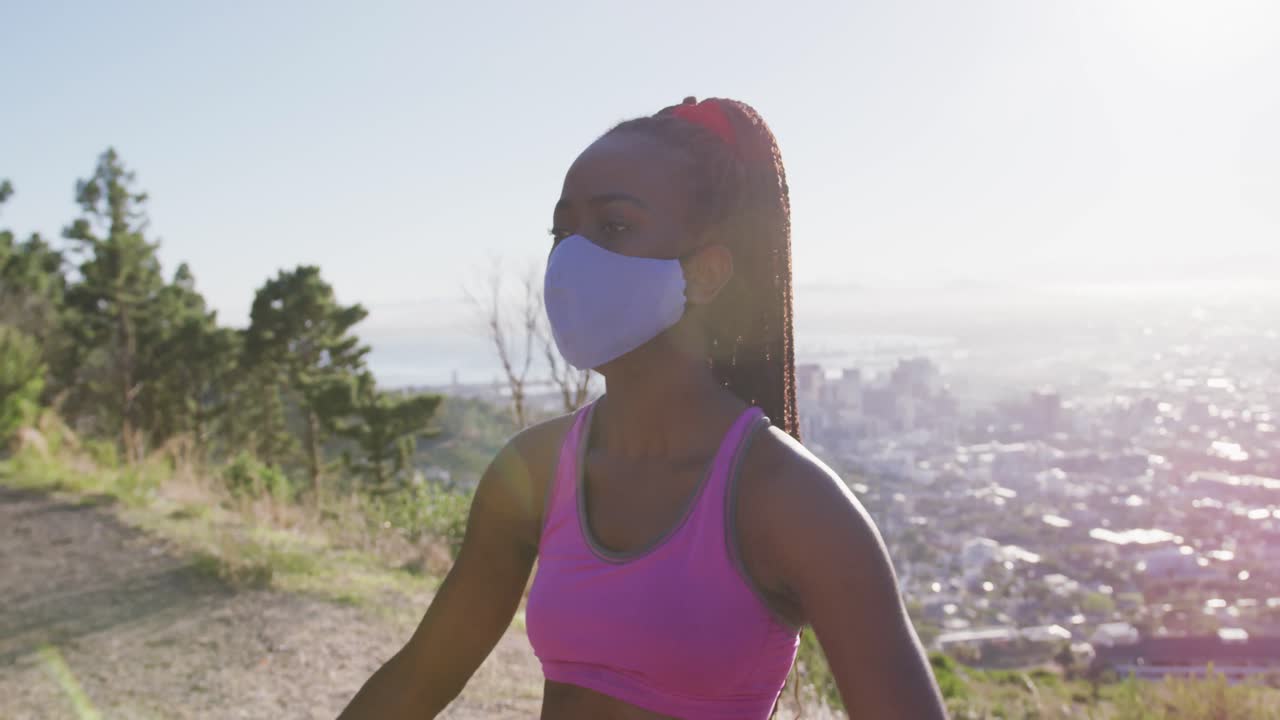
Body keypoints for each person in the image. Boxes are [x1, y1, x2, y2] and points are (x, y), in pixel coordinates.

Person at [338, 96, 946, 719]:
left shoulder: (792, 502)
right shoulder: (532, 470)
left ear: (706, 274)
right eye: (562, 232)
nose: (572, 259)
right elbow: (420, 677)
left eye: (615, 227)